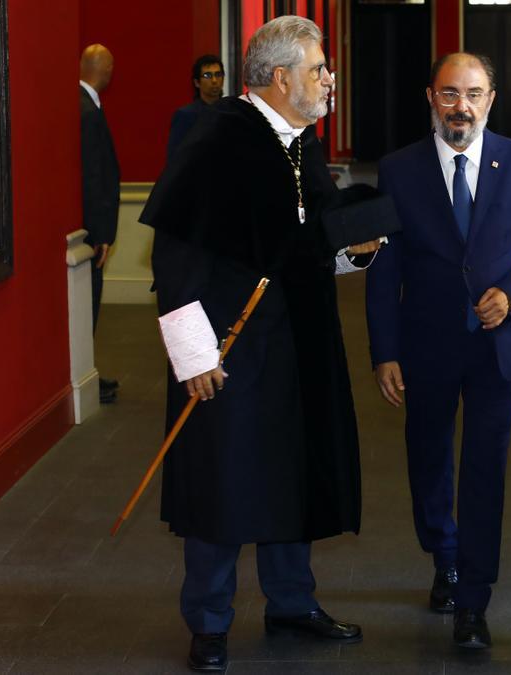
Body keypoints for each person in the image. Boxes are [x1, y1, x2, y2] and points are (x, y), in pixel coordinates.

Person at [139, 16, 381, 672]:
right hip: (228, 351)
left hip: (296, 346)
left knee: (291, 473)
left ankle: (291, 600)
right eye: (318, 70)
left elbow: (312, 240)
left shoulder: (301, 143)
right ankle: (210, 621)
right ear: (280, 79)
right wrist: (192, 356)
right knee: (223, 481)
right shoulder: (217, 139)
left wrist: (357, 250)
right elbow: (176, 252)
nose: (327, 81)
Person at [364, 53, 511, 649]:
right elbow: (383, 265)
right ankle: (443, 555)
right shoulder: (398, 169)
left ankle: (474, 596)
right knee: (428, 460)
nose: (461, 107)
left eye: (473, 94)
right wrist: (384, 349)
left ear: (491, 99)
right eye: (449, 94)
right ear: (430, 98)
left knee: (484, 469)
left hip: (498, 344)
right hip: (425, 344)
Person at [79, 44, 121, 403]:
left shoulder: (81, 104)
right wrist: (101, 233)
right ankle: (85, 376)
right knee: (88, 305)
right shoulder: (87, 111)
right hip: (91, 230)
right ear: (106, 70)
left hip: (88, 226)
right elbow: (94, 178)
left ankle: (88, 373)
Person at [167, 55, 225, 157]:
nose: (214, 80)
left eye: (218, 74)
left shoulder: (230, 112)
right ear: (197, 82)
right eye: (207, 76)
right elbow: (176, 159)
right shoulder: (186, 116)